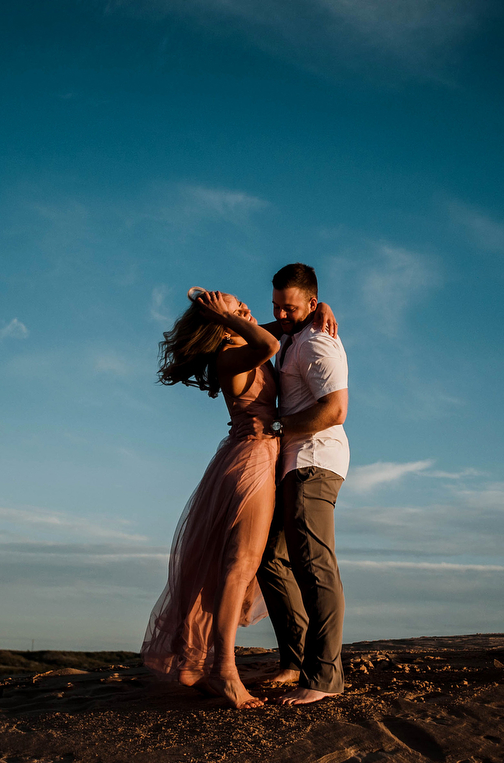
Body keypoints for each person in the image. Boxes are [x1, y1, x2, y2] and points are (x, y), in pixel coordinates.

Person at [142, 288, 337, 710]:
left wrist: (319, 309)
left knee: (238, 563)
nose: (247, 309)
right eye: (237, 307)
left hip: (259, 454)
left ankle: (208, 668)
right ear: (221, 321)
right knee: (240, 564)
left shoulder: (239, 342)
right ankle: (225, 673)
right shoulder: (230, 355)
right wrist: (226, 316)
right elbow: (270, 342)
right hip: (252, 458)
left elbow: (282, 329)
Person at [256, 263, 350, 707]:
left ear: (311, 304)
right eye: (275, 306)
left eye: (289, 308)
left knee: (314, 566)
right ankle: (294, 660)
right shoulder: (296, 330)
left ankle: (325, 676)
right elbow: (266, 327)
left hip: (314, 461)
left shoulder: (316, 340)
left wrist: (277, 425)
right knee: (269, 559)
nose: (280, 314)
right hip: (291, 462)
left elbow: (334, 411)